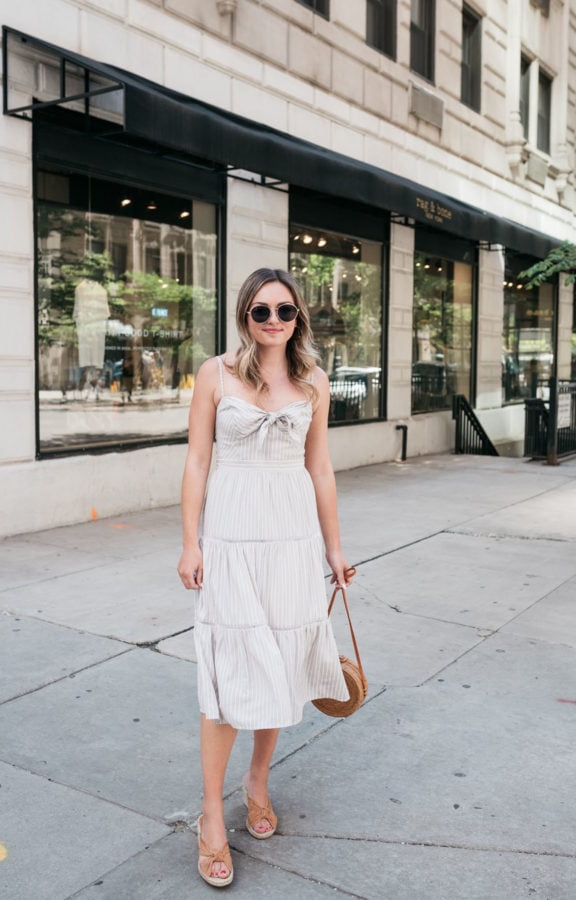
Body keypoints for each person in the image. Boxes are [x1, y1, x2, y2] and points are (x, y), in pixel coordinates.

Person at [177, 267, 355, 887]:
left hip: (290, 539)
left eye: (284, 311)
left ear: (298, 317)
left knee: (278, 658)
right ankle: (209, 814)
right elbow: (198, 460)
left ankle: (258, 779)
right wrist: (189, 542)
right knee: (227, 672)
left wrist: (334, 550)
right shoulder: (215, 373)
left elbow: (323, 469)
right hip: (230, 538)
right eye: (261, 311)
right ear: (244, 317)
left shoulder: (314, 382)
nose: (273, 321)